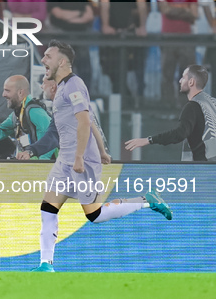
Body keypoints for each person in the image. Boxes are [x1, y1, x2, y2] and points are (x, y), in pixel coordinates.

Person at [32, 40, 172, 272]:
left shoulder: (74, 84)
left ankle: (146, 201)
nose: (43, 59)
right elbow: (91, 118)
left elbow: (84, 122)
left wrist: (80, 157)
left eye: (48, 56)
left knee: (95, 215)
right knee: (48, 209)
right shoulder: (63, 88)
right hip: (65, 160)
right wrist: (103, 148)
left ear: (62, 61)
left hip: (80, 161)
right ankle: (46, 265)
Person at [126, 65, 216, 161]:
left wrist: (148, 140)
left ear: (191, 82)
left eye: (183, 77)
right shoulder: (213, 102)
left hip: (204, 170)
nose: (180, 81)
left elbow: (179, 134)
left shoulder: (192, 106)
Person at [16, 77, 110, 165]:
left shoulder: (66, 105)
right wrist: (102, 152)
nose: (41, 86)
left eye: (44, 83)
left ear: (53, 87)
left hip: (81, 163)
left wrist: (31, 151)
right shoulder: (62, 106)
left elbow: (52, 136)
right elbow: (91, 124)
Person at [96, 0, 147, 103]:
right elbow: (104, 3)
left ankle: (134, 103)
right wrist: (106, 26)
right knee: (112, 70)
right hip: (111, 34)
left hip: (130, 32)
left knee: (132, 68)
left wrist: (142, 27)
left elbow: (142, 5)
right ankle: (124, 101)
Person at [0, 75, 54, 160]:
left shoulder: (34, 111)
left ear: (20, 92)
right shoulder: (17, 115)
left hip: (42, 168)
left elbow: (52, 138)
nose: (3, 95)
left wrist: (42, 166)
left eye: (7, 91)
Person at [156, 0, 198, 106]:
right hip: (168, 38)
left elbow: (195, 14)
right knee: (167, 74)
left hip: (186, 39)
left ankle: (186, 107)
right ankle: (166, 106)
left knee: (188, 76)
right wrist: (184, 10)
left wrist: (174, 9)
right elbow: (165, 10)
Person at [49, 0, 94, 87]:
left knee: (84, 69)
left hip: (81, 37)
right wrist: (79, 13)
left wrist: (68, 16)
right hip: (62, 37)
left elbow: (89, 15)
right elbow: (58, 14)